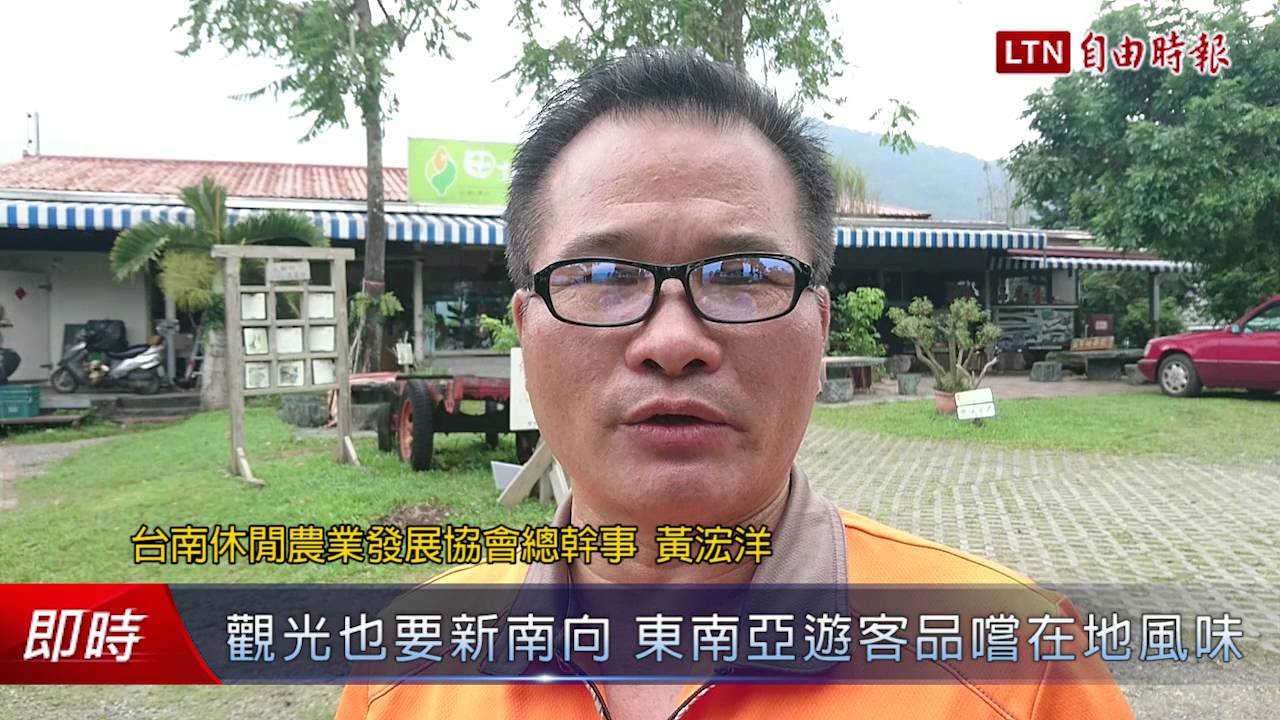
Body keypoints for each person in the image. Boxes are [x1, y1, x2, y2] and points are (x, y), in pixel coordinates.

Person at [336, 50, 1133, 719]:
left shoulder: (1017, 669)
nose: (672, 343)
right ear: (526, 330)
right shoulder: (404, 674)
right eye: (604, 275)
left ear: (819, 328)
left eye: (745, 274)